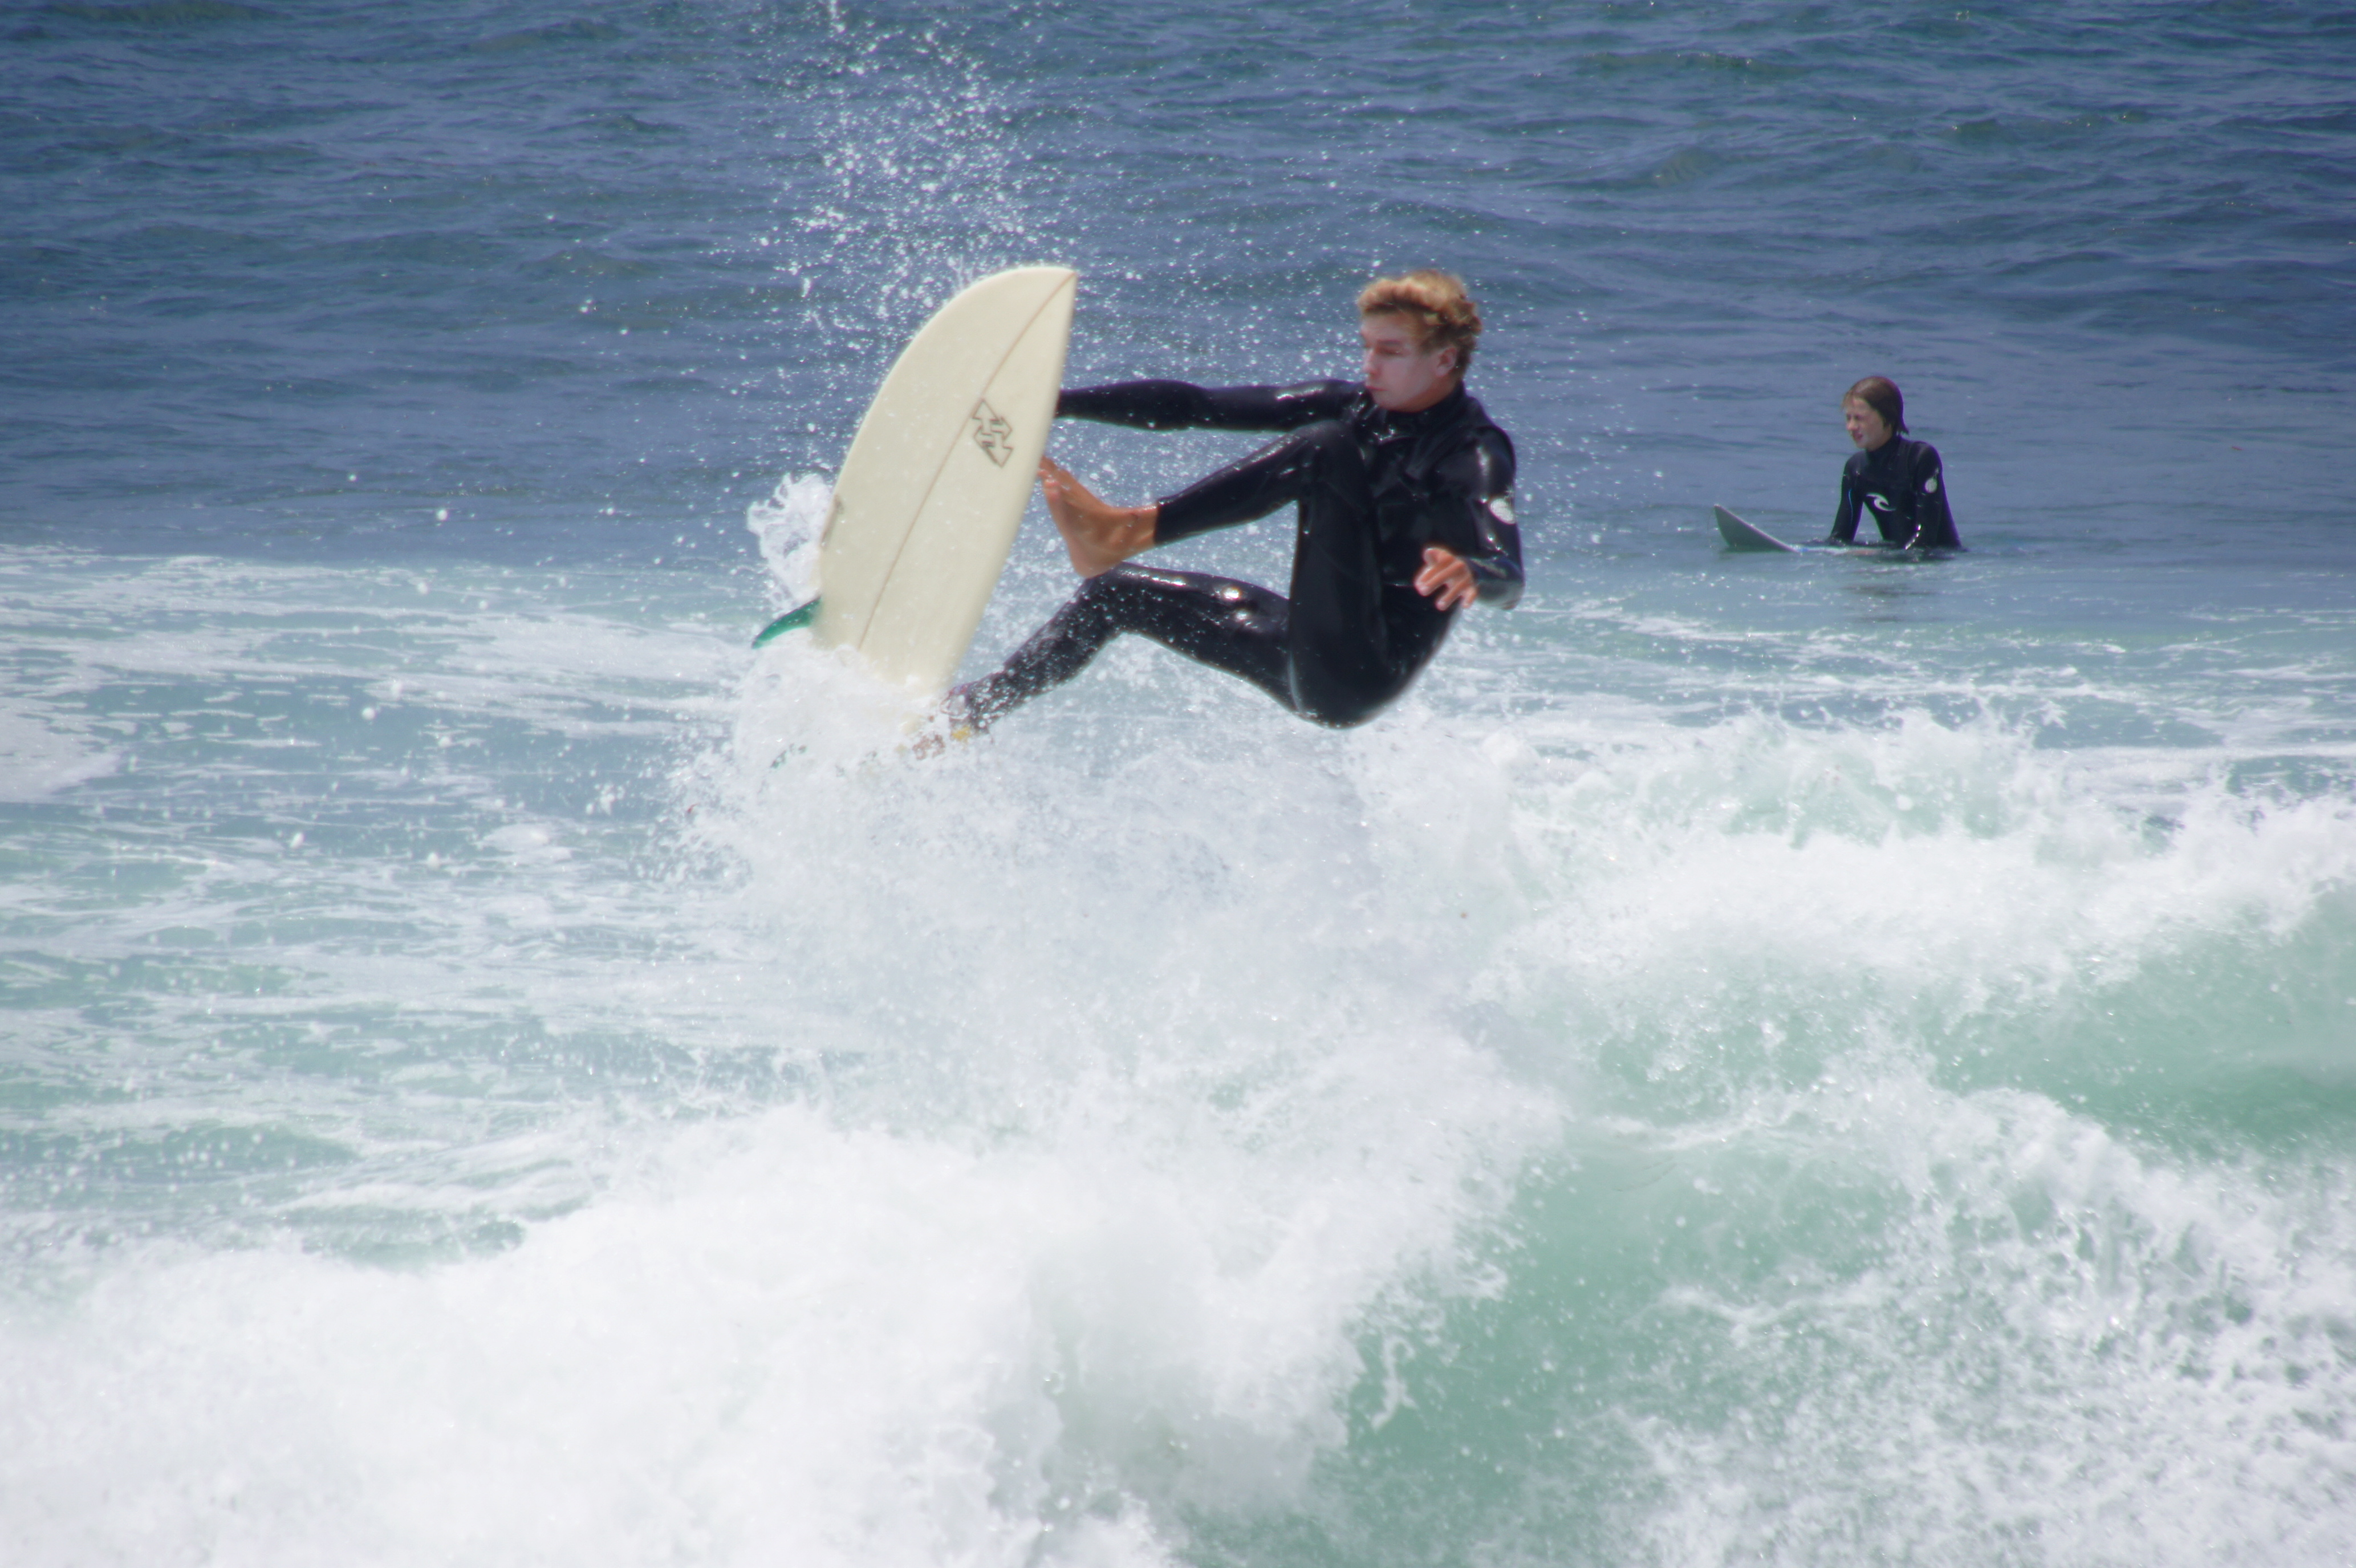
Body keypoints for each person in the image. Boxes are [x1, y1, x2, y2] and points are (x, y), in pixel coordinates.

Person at [943, 269, 1521, 734]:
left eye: (1390, 351)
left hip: (1357, 674)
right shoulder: (1356, 408)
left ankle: (1128, 530)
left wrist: (1472, 572)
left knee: (1322, 450)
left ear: (1444, 359)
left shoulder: (1472, 453)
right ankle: (966, 715)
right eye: (1366, 347)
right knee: (1113, 594)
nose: (1369, 365)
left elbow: (1509, 576)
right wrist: (1059, 403)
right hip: (1299, 653)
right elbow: (1197, 406)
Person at [1827, 376, 1961, 550]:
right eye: (1848, 418)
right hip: (1898, 559)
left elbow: (1925, 541)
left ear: (1887, 417)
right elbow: (1840, 539)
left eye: (1860, 418)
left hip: (1939, 560)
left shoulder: (1919, 458)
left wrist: (1878, 556)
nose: (1851, 427)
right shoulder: (1856, 468)